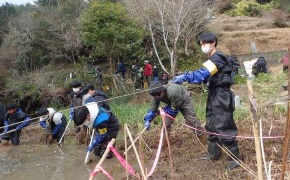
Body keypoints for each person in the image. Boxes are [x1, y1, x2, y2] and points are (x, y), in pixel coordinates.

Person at [171, 32, 240, 170]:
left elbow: (203, 73)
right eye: (201, 44)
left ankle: (235, 158)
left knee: (223, 125)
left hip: (222, 95)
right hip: (214, 93)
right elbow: (204, 76)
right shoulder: (211, 59)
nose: (203, 46)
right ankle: (214, 154)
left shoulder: (218, 57)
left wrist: (186, 76)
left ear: (213, 42)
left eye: (204, 43)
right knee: (211, 124)